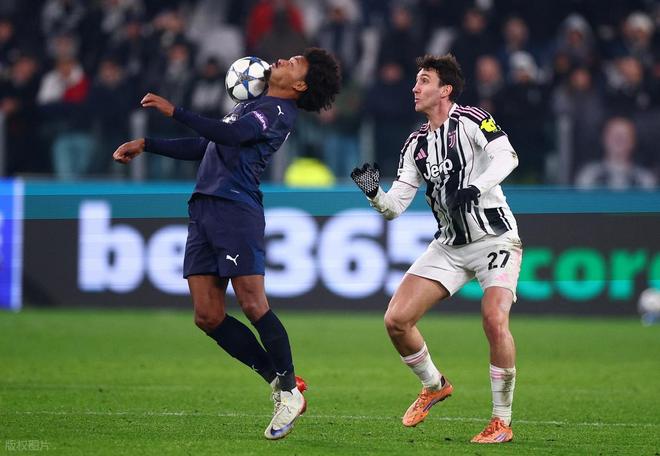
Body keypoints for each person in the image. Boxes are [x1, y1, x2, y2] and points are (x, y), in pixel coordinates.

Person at [113, 48, 341, 440]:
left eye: (295, 63)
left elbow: (231, 135)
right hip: (204, 207)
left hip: (236, 209)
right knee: (207, 315)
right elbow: (207, 146)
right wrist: (148, 143)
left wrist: (175, 111)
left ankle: (289, 390)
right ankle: (278, 381)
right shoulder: (254, 104)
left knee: (253, 303)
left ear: (301, 85)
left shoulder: (278, 112)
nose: (283, 60)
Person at [351, 54, 522, 444]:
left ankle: (501, 422)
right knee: (396, 320)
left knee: (494, 320)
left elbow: (507, 156)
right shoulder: (416, 144)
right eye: (416, 81)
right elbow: (395, 207)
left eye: (424, 80)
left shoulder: (474, 120)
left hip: (495, 238)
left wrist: (475, 187)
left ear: (445, 89)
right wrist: (374, 193)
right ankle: (434, 385)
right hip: (449, 246)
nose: (415, 88)